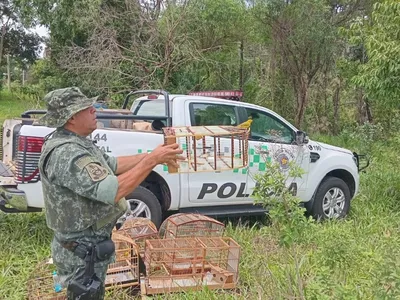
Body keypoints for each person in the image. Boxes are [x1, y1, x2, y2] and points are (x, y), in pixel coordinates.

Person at [37, 87, 183, 299]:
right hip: (80, 251)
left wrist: (154, 155)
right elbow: (112, 190)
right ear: (71, 118)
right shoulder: (67, 152)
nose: (94, 110)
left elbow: (112, 164)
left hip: (88, 246)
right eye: (87, 108)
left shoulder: (78, 142)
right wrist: (152, 161)